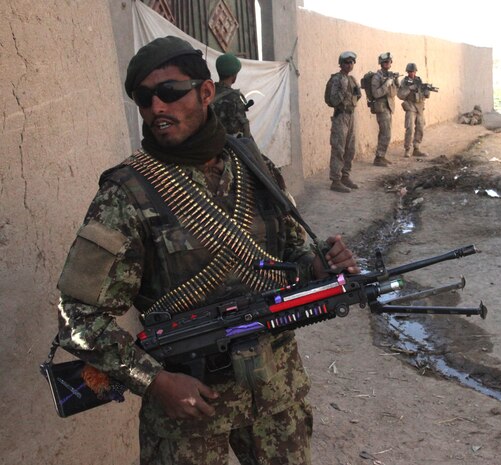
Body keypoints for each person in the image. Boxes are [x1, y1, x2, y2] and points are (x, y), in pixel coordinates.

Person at [56, 36, 359, 465]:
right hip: (188, 407)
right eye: (144, 99)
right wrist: (155, 380)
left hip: (275, 390)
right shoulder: (125, 195)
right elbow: (78, 316)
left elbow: (291, 255)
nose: (157, 107)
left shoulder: (256, 167)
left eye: (170, 92)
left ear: (205, 92)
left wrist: (320, 263)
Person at [326, 51, 361, 193]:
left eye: (351, 62)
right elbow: (333, 100)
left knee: (350, 148)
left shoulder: (352, 79)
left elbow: (357, 96)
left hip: (351, 114)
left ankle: (345, 176)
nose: (349, 65)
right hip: (341, 116)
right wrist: (343, 87)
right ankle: (335, 180)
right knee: (338, 148)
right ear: (340, 64)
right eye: (346, 62)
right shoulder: (337, 79)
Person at [212, 52, 253, 138]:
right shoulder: (234, 98)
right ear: (234, 77)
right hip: (227, 146)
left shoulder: (209, 92)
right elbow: (242, 128)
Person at [371, 52, 399, 166]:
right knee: (386, 133)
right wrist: (386, 84)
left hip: (388, 107)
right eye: (385, 62)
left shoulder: (390, 75)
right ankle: (379, 158)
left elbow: (395, 92)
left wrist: (395, 82)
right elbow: (376, 93)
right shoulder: (376, 77)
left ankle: (381, 156)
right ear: (381, 63)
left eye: (389, 62)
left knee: (385, 132)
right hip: (381, 107)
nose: (387, 63)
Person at [398, 63, 431, 158]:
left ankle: (416, 148)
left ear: (416, 71)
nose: (411, 73)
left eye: (413, 71)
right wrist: (409, 88)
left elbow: (426, 95)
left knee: (420, 128)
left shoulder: (419, 81)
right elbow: (400, 95)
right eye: (409, 72)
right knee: (410, 128)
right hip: (410, 106)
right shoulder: (404, 81)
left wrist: (426, 91)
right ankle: (407, 149)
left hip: (419, 107)